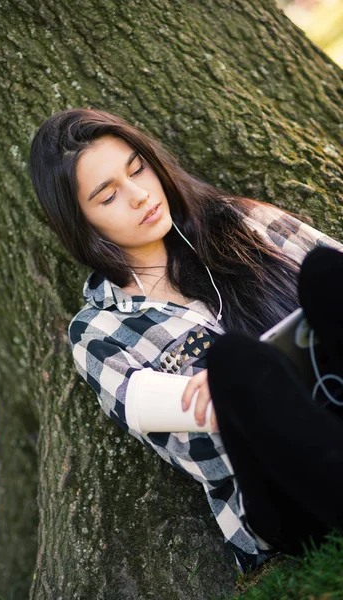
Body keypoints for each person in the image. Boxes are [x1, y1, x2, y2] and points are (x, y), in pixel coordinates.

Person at [29, 107, 343, 573]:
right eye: (108, 195)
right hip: (285, 492)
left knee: (323, 275)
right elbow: (173, 414)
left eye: (137, 169)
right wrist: (229, 385)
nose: (139, 195)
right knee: (235, 364)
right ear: (83, 225)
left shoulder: (242, 222)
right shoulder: (98, 332)